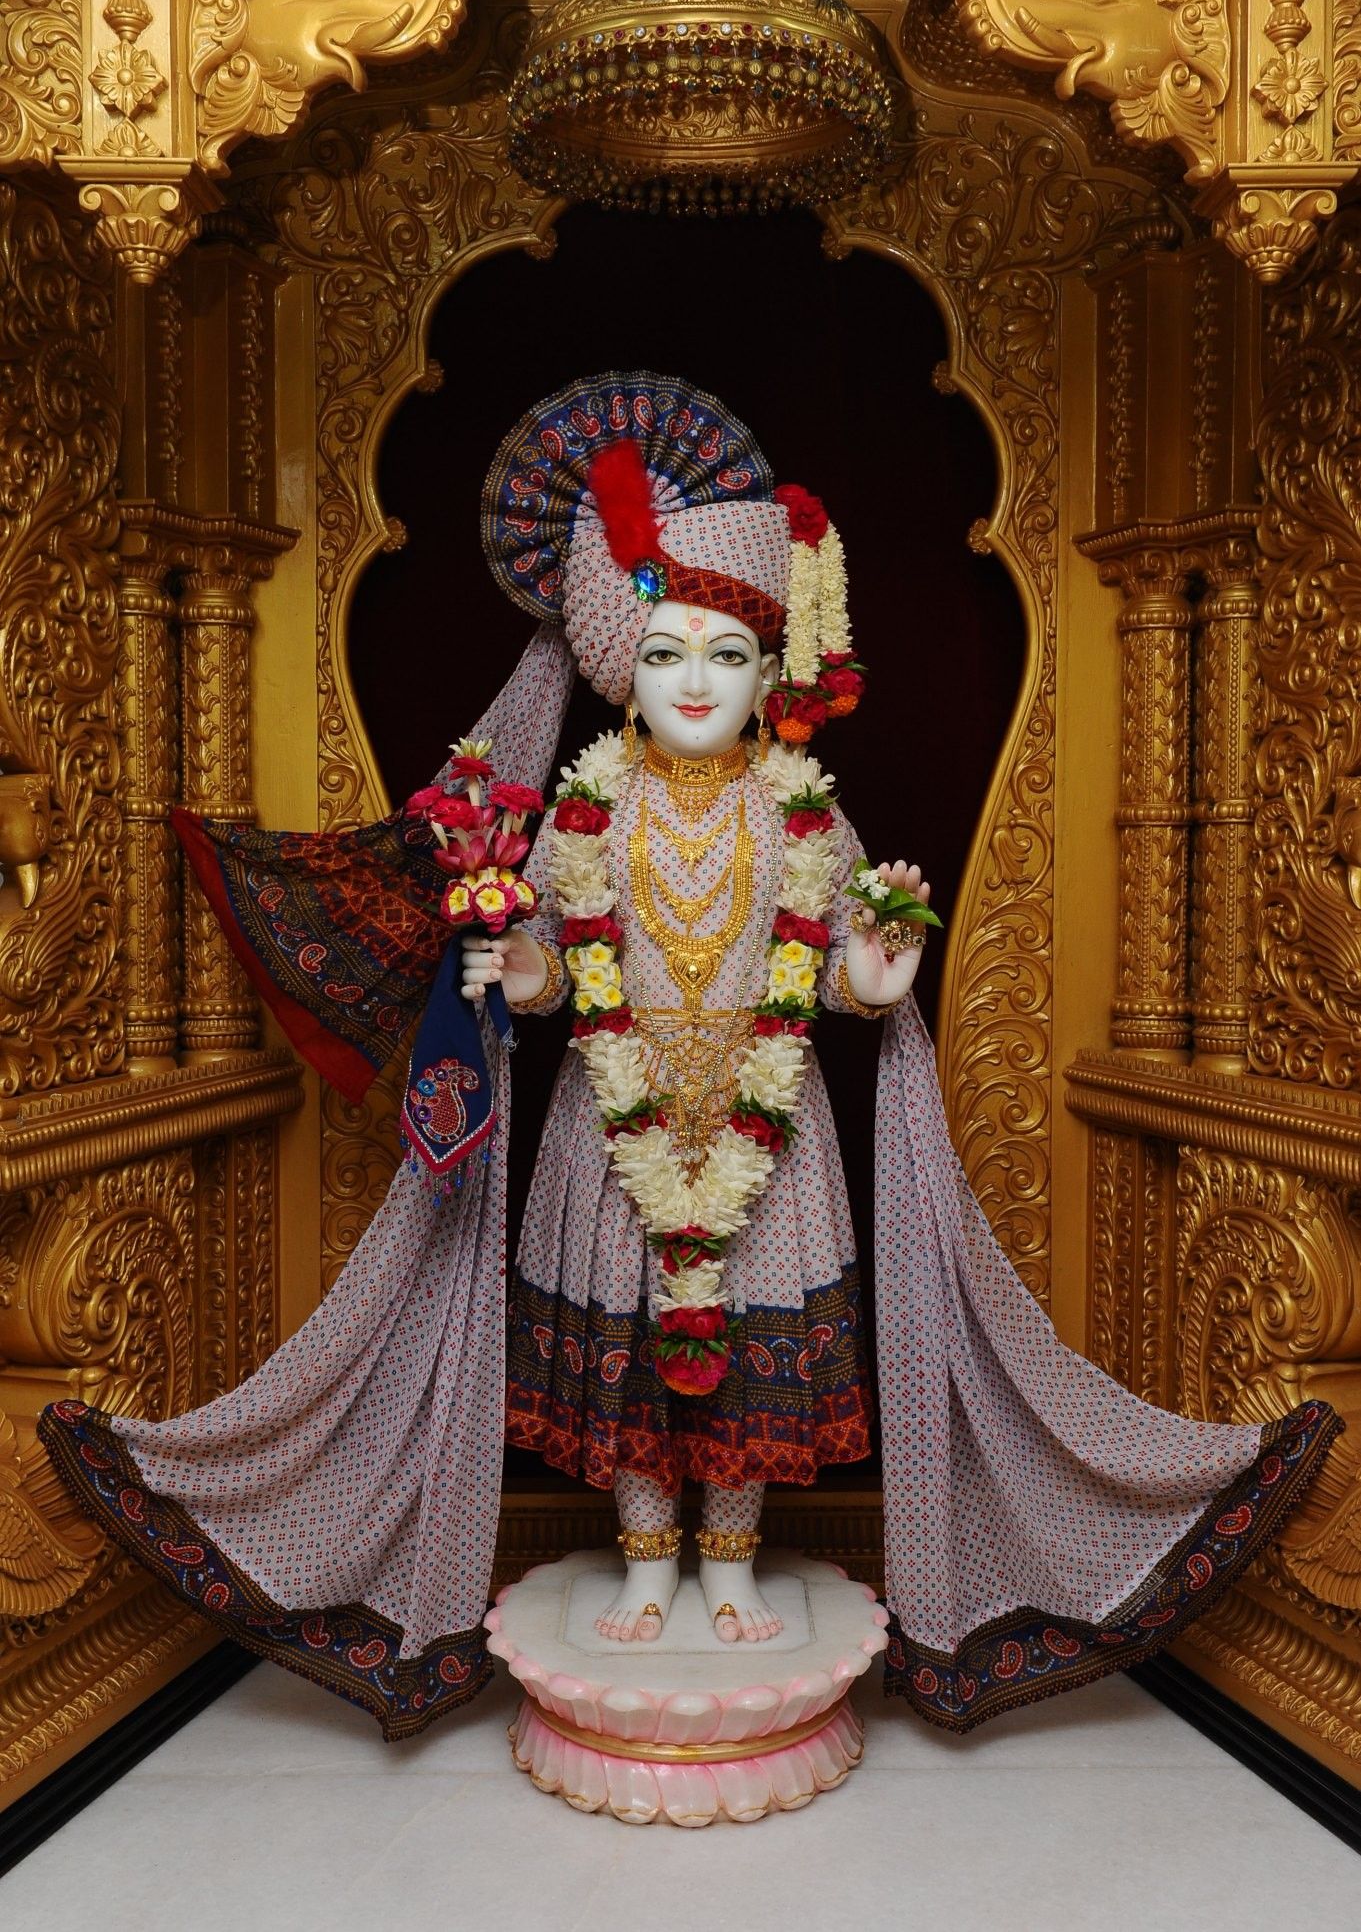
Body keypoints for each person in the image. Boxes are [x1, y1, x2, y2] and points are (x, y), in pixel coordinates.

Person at [39, 372, 1341, 1742]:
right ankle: (647, 1559)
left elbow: (841, 975)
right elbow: (541, 984)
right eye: (665, 655)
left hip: (770, 1151)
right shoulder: (575, 818)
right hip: (611, 1134)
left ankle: (729, 1561)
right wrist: (513, 959)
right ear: (620, 673)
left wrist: (875, 973)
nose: (696, 682)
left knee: (747, 1352)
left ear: (769, 670)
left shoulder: (812, 817)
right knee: (629, 1357)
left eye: (724, 654)